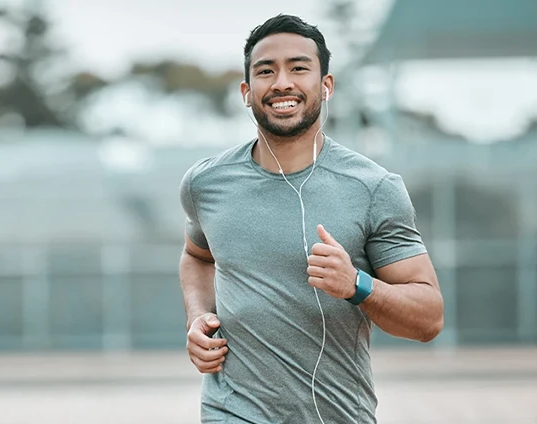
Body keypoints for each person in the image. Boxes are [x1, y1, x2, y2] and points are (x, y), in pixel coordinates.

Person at [178, 14, 445, 424]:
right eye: (266, 71)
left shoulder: (374, 188)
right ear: (247, 92)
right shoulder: (206, 183)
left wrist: (357, 285)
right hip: (230, 411)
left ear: (326, 85)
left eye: (299, 68)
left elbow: (428, 318)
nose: (282, 82)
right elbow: (197, 256)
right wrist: (198, 316)